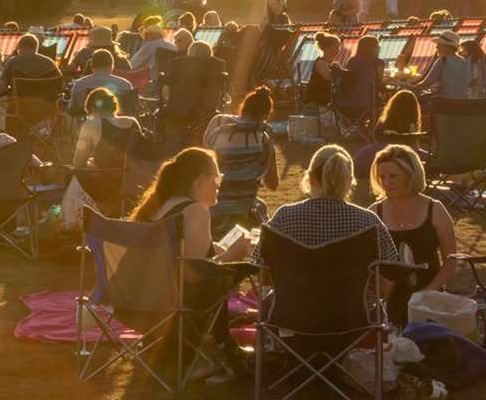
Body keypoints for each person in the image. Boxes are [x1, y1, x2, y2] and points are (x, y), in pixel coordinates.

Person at [127, 147, 257, 382]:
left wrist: (218, 249)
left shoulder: (163, 204)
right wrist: (234, 254)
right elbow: (194, 275)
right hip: (178, 307)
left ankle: (217, 345)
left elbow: (181, 254)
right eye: (217, 177)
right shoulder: (195, 211)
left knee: (222, 271)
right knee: (227, 276)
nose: (219, 183)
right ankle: (220, 349)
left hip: (149, 304)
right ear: (200, 180)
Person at [253, 145, 400, 339]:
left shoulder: (283, 217)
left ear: (311, 178)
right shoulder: (368, 223)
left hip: (291, 319)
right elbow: (389, 280)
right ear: (349, 181)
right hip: (355, 322)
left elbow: (260, 273)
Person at [370, 143, 458, 328]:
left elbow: (450, 263)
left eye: (393, 176)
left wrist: (425, 294)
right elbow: (363, 263)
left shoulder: (435, 210)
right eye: (382, 177)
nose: (386, 182)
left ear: (410, 175)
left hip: (428, 296)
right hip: (388, 298)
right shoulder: (373, 213)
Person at [205, 86, 278, 222]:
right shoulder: (263, 137)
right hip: (244, 207)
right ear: (265, 115)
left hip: (212, 204)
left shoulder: (218, 122)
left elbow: (205, 155)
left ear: (244, 107)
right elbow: (272, 184)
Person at [69, 48, 137, 116]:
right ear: (112, 66)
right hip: (116, 124)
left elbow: (72, 110)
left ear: (92, 66)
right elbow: (130, 112)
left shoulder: (80, 84)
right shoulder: (125, 84)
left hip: (87, 124)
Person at [416, 30, 472, 100]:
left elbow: (427, 83)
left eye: (439, 44)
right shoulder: (464, 62)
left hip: (445, 103)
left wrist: (411, 88)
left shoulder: (443, 61)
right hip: (462, 101)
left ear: (447, 47)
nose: (436, 47)